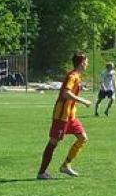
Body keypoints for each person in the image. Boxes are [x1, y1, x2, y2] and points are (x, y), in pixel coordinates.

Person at [37, 51, 93, 179]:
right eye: (86, 62)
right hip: (62, 115)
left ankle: (66, 165)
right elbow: (65, 93)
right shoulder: (72, 76)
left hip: (71, 116)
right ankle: (42, 172)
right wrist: (83, 101)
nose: (87, 64)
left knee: (83, 138)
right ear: (82, 63)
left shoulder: (77, 76)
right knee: (53, 142)